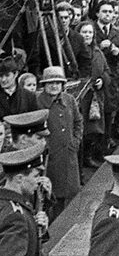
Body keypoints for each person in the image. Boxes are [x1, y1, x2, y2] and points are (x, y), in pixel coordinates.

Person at [33, 67, 82, 219]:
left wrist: (75, 141)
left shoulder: (69, 99)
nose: (54, 86)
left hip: (68, 155)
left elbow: (78, 121)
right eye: (50, 83)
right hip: (49, 157)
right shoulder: (37, 102)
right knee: (49, 196)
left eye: (58, 83)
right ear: (44, 85)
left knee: (70, 194)